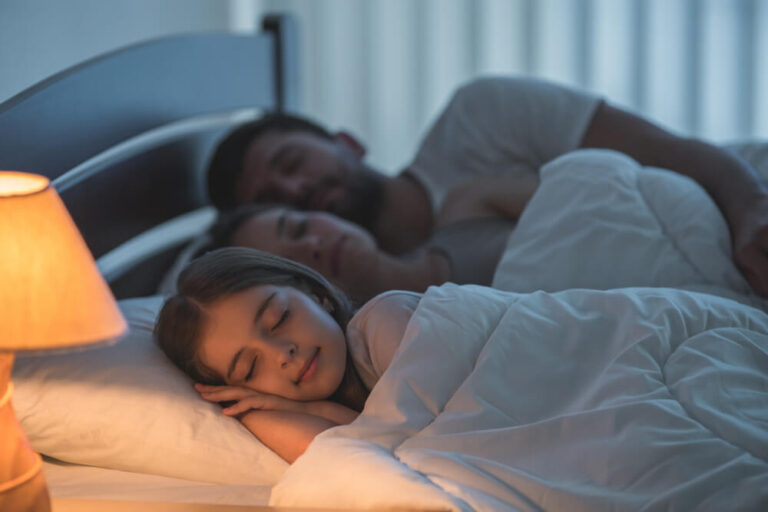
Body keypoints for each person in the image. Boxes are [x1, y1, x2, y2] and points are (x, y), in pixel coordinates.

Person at [206, 76, 768, 296]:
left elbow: (672, 159)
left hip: (734, 195)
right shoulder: (381, 308)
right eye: (273, 201)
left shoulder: (480, 119)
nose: (297, 189)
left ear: (347, 142)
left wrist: (751, 215)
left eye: (292, 161)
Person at [155, 247, 420, 463]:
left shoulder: (387, 320)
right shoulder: (280, 411)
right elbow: (382, 466)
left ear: (316, 295)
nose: (282, 354)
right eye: (250, 368)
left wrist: (317, 409)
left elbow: (424, 452)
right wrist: (308, 410)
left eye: (279, 319)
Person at [174, 171, 536, 304]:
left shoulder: (471, 203)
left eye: (299, 227)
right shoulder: (407, 349)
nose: (312, 247)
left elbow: (584, 200)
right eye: (292, 265)